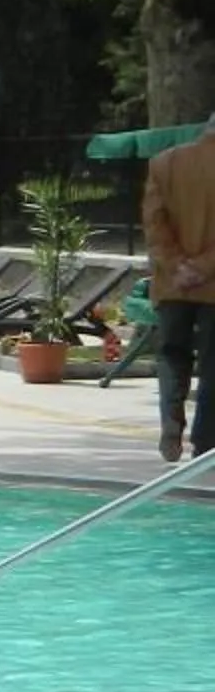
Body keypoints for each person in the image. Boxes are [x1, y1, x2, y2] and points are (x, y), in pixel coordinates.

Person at [144, 124, 215, 461]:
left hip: (171, 284)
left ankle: (171, 430)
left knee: (172, 354)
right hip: (212, 285)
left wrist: (176, 266)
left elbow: (154, 225)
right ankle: (206, 441)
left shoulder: (164, 164)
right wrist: (203, 267)